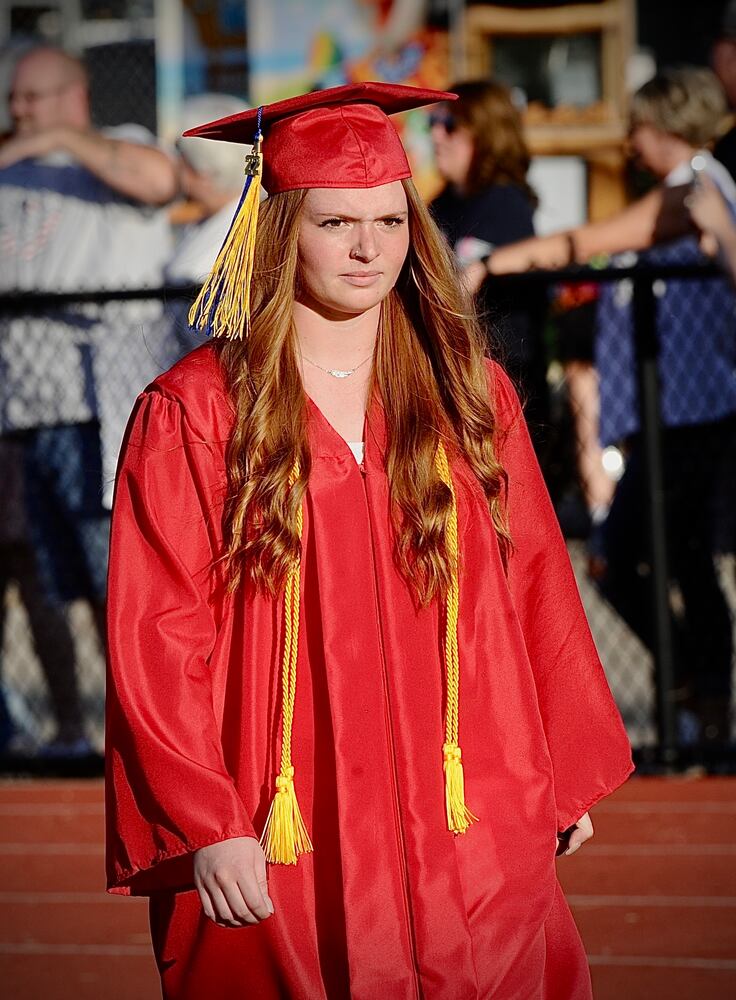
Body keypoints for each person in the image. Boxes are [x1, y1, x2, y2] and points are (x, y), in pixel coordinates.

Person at [105, 82, 633, 1000]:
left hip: (468, 784)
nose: (368, 248)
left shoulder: (465, 393)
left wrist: (564, 763)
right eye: (335, 222)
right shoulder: (197, 412)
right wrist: (206, 818)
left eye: (390, 221)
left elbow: (534, 577)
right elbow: (159, 632)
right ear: (280, 231)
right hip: (287, 807)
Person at [0, 44, 177, 724]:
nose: (18, 112)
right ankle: (74, 729)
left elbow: (160, 181)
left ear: (73, 97)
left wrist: (60, 137)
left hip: (96, 415)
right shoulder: (12, 171)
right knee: (49, 581)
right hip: (22, 411)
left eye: (31, 98)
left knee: (117, 587)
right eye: (13, 100)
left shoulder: (115, 148)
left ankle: (143, 729)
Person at [592, 69, 736, 749]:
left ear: (670, 127)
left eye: (640, 127)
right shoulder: (690, 190)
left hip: (693, 407)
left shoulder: (701, 189)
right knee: (653, 557)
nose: (630, 141)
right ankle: (696, 689)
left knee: (659, 557)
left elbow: (599, 241)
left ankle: (704, 695)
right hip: (665, 409)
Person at [429, 81, 549, 448]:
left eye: (449, 124)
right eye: (432, 121)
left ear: (485, 133)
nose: (435, 134)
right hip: (448, 376)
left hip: (500, 383)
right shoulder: (441, 205)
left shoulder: (505, 205)